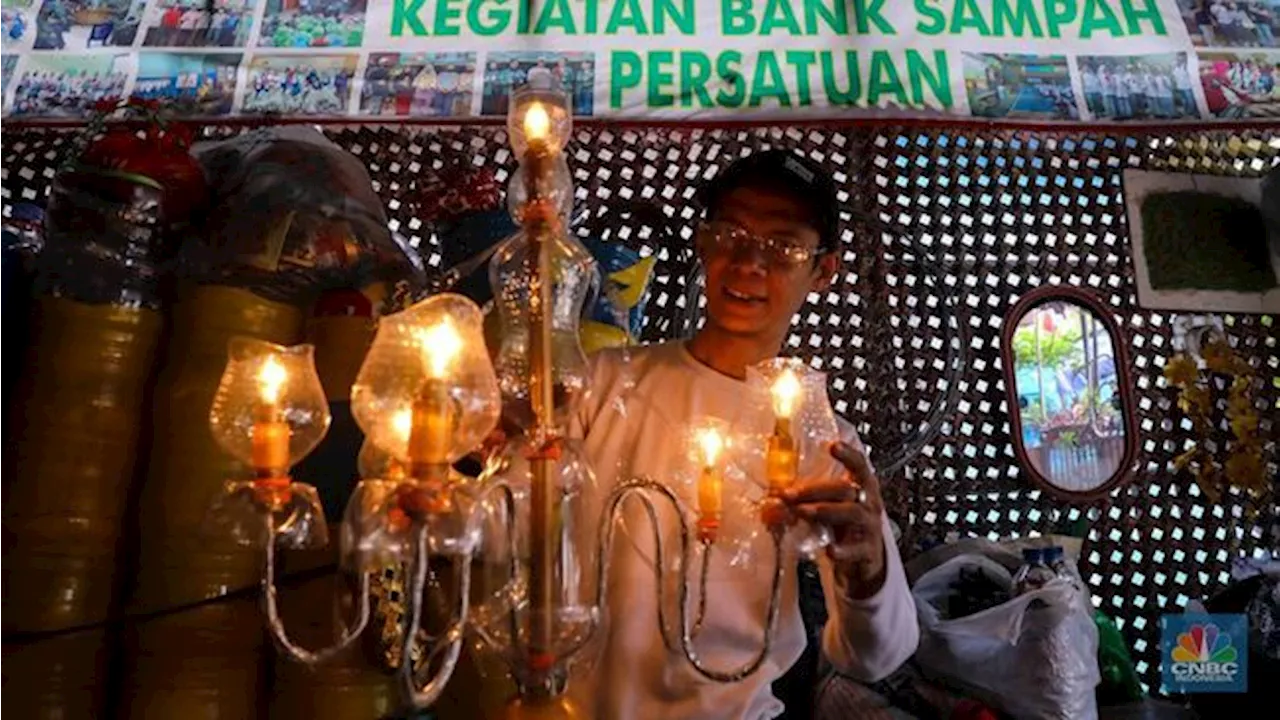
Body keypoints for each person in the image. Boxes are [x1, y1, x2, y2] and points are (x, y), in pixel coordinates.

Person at [564, 150, 920, 719]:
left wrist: (868, 565)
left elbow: (877, 656)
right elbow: (515, 526)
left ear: (823, 271)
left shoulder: (821, 441)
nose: (750, 261)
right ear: (704, 243)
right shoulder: (605, 384)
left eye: (783, 246)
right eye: (731, 232)